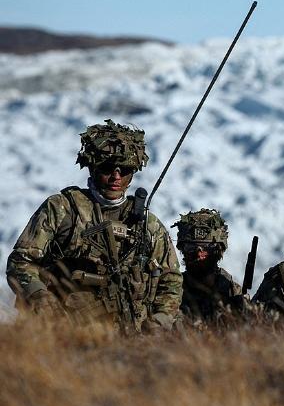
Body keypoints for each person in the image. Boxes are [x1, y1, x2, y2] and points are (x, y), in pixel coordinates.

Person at [6, 119, 182, 333]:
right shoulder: (63, 208)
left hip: (131, 337)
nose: (116, 176)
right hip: (62, 333)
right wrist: (40, 298)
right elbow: (21, 261)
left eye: (124, 169)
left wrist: (158, 322)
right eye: (108, 168)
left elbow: (170, 280)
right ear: (92, 166)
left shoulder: (147, 225)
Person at [173, 208, 245, 325]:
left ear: (219, 250)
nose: (199, 254)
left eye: (207, 247)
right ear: (183, 250)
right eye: (191, 247)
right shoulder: (171, 290)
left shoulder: (231, 290)